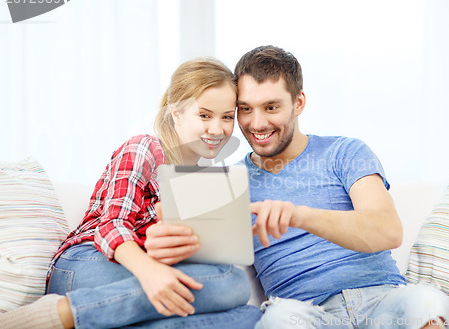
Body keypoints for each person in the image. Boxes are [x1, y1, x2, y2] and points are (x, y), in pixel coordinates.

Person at [148, 46, 449, 329]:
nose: (256, 124)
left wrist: (298, 216)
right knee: (278, 321)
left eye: (271, 107)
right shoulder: (229, 183)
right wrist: (161, 245)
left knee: (429, 303)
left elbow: (387, 230)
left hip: (384, 303)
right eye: (245, 109)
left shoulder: (345, 152)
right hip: (304, 314)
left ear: (298, 103)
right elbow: (200, 259)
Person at [0, 58, 262, 329]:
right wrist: (150, 272)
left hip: (129, 278)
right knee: (230, 282)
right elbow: (110, 227)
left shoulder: (202, 181)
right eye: (204, 115)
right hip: (85, 263)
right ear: (177, 113)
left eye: (227, 117)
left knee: (251, 317)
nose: (217, 129)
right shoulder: (144, 148)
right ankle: (57, 314)